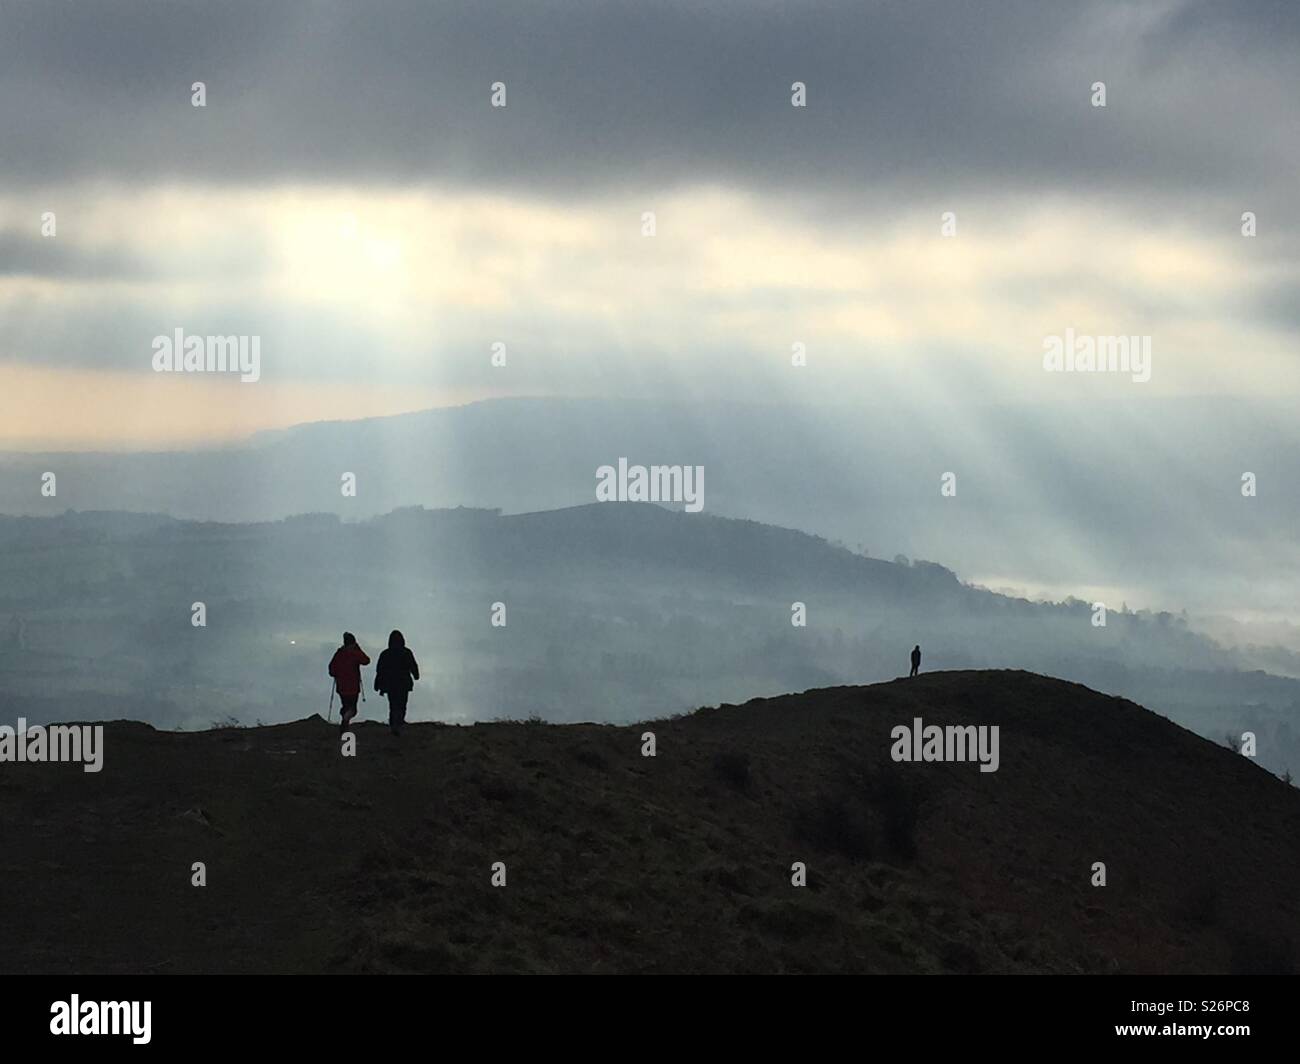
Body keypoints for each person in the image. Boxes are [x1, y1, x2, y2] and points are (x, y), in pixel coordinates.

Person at [375, 629, 420, 735]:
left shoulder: (385, 654)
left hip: (390, 684)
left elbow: (380, 670)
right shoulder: (406, 652)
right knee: (402, 704)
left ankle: (393, 725)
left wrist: (378, 684)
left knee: (393, 704)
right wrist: (416, 675)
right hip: (403, 683)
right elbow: (413, 665)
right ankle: (399, 723)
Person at [328, 632, 371, 732]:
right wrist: (358, 650)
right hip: (353, 686)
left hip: (341, 686)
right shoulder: (355, 654)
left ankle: (344, 721)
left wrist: (337, 674)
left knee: (346, 706)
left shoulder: (339, 653)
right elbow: (366, 660)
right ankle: (345, 720)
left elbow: (331, 669)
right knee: (353, 709)